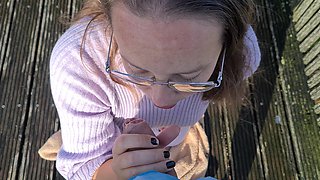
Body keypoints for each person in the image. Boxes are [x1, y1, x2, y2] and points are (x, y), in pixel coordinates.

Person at [49, 0, 261, 179]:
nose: (160, 100)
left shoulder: (245, 55)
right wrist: (116, 170)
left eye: (188, 77)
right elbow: (82, 167)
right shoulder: (79, 63)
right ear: (109, 20)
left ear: (229, 43)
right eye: (137, 69)